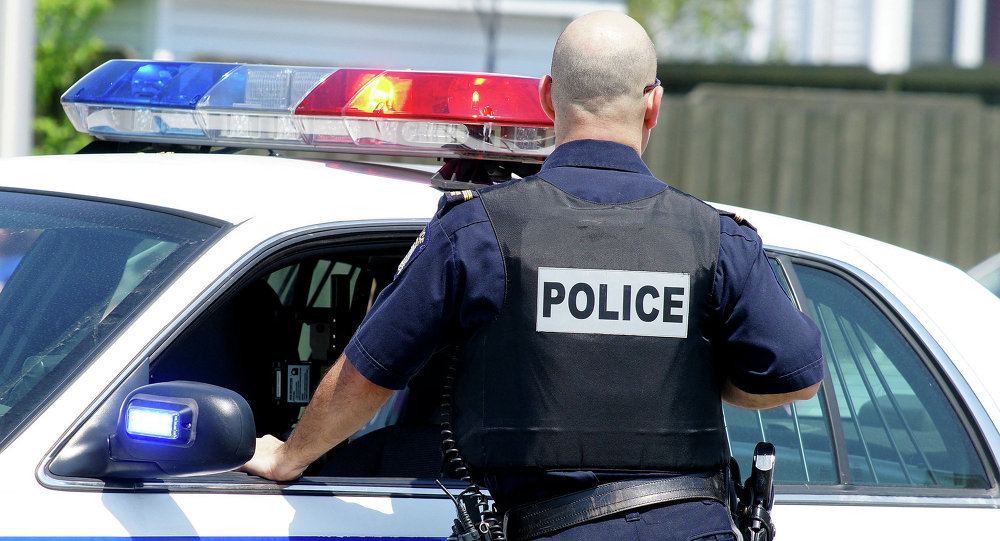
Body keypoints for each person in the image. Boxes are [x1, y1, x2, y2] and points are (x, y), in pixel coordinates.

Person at [242, 10, 824, 540]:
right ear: (654, 104)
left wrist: (289, 457)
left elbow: (370, 373)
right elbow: (797, 379)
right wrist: (692, 372)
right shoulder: (716, 239)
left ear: (547, 96)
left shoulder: (478, 232)